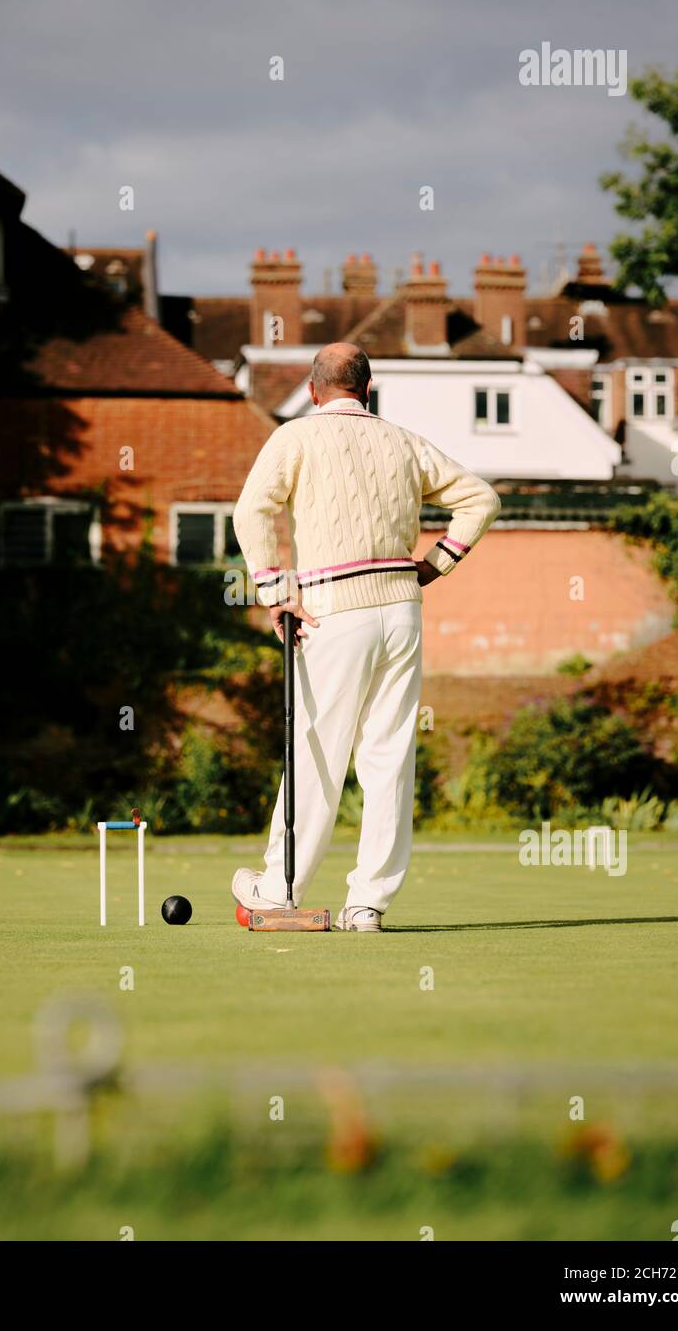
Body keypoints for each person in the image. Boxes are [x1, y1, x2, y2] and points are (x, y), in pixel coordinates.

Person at [231, 342, 500, 931]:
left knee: (317, 747)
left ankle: (278, 888)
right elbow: (481, 497)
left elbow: (251, 510)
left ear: (312, 390)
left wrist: (277, 592)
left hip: (331, 610)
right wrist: (436, 565)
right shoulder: (403, 441)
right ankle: (367, 904)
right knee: (388, 755)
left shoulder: (294, 437)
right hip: (402, 609)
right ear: (368, 388)